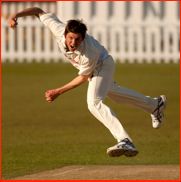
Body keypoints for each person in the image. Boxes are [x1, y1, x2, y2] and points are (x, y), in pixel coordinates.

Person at [8, 7, 167, 157]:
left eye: (77, 39)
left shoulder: (88, 53)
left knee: (94, 103)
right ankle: (155, 105)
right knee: (116, 94)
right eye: (70, 37)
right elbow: (38, 11)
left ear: (83, 39)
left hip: (102, 65)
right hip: (99, 65)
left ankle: (124, 140)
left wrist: (59, 91)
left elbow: (83, 77)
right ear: (64, 33)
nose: (73, 43)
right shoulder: (57, 28)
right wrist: (16, 15)